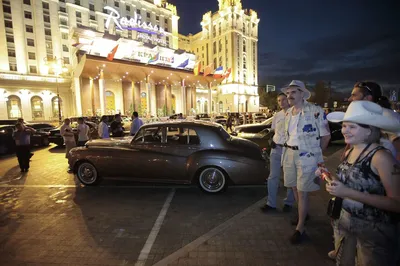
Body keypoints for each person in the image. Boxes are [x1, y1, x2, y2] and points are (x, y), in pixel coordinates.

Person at [325, 101, 400, 266]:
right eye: (344, 126)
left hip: (374, 233)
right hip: (346, 227)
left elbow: (396, 203)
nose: (345, 130)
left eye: (352, 127)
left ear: (369, 131)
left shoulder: (382, 157)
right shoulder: (351, 150)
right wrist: (330, 180)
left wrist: (346, 193)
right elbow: (350, 184)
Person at [281, 80, 331, 244]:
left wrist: (315, 154)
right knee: (294, 187)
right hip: (289, 153)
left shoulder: (315, 111)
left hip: (306, 156)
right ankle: (304, 214)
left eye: (293, 92)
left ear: (302, 94)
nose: (289, 96)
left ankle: (300, 227)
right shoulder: (288, 113)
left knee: (303, 192)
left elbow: (326, 136)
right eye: (288, 93)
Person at [260, 93, 295, 212]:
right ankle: (271, 203)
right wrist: (271, 140)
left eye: (284, 99)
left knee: (289, 177)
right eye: (279, 100)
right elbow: (274, 130)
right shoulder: (277, 115)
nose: (282, 102)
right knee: (272, 177)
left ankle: (289, 203)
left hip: (288, 149)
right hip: (276, 149)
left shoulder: (294, 113)